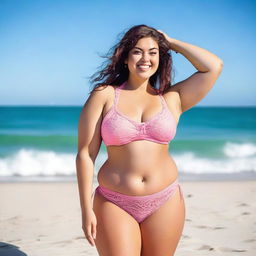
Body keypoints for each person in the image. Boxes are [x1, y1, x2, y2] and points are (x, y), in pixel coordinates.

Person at [76, 24, 223, 256]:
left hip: (165, 200)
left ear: (161, 58)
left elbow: (213, 67)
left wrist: (171, 42)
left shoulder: (172, 98)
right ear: (125, 57)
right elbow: (86, 154)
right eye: (137, 51)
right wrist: (85, 209)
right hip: (115, 202)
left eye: (153, 52)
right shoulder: (104, 95)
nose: (145, 58)